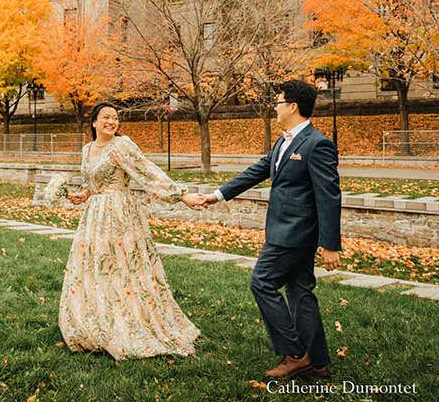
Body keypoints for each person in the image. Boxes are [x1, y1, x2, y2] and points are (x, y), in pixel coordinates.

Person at [198, 80, 342, 379]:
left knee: (262, 282)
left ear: (292, 106)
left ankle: (294, 353)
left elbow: (329, 196)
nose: (274, 108)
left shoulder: (318, 144)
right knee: (301, 292)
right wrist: (217, 195)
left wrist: (330, 244)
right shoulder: (283, 141)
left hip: (294, 234)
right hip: (286, 232)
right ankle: (317, 360)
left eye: (278, 102)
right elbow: (257, 171)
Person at [58, 101, 205, 360]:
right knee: (96, 268)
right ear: (94, 122)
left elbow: (147, 173)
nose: (111, 122)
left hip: (120, 214)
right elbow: (93, 182)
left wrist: (181, 195)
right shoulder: (87, 149)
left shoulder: (121, 146)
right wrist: (82, 194)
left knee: (123, 269)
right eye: (105, 117)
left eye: (115, 118)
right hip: (94, 216)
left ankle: (131, 321)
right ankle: (97, 318)